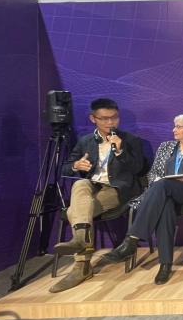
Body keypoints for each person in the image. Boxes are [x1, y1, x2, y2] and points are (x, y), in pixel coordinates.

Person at [102, 114, 183, 284]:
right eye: (174, 126)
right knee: (165, 205)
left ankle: (131, 240)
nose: (173, 130)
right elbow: (153, 173)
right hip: (164, 193)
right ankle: (165, 265)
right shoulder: (165, 147)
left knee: (162, 186)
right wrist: (158, 181)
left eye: (178, 127)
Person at [50, 98, 145, 293]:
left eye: (114, 118)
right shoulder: (85, 141)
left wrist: (120, 151)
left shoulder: (130, 140)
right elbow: (66, 167)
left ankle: (81, 265)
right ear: (93, 119)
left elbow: (139, 169)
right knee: (80, 183)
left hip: (117, 190)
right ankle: (82, 246)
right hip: (91, 188)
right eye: (105, 119)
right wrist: (76, 166)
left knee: (74, 211)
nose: (111, 123)